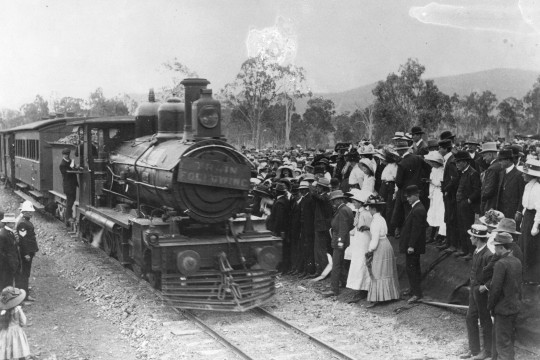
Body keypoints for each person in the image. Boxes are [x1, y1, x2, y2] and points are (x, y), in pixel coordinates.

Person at [486, 232, 522, 360]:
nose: (494, 249)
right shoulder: (517, 261)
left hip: (502, 309)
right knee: (504, 340)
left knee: (503, 344)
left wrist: (490, 306)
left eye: (496, 246)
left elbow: (495, 289)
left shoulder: (501, 264)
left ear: (501, 247)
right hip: (514, 307)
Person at [459, 224, 493, 360]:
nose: (470, 238)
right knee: (470, 318)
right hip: (474, 291)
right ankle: (474, 350)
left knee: (485, 321)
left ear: (477, 238)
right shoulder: (477, 251)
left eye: (472, 236)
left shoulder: (488, 255)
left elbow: (495, 276)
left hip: (482, 293)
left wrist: (485, 287)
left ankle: (487, 352)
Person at [365, 195, 400, 307]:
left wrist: (370, 249)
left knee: (377, 270)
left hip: (380, 246)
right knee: (387, 270)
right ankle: (390, 294)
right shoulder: (382, 219)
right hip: (387, 244)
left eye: (370, 208)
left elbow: (374, 240)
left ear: (374, 209)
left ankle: (377, 297)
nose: (369, 210)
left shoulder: (375, 221)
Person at [321, 190, 354, 298]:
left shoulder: (343, 210)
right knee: (340, 263)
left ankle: (334, 289)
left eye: (334, 201)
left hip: (339, 241)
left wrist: (340, 242)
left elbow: (343, 228)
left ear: (339, 200)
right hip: (341, 239)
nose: (333, 203)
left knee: (336, 265)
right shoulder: (345, 209)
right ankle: (343, 282)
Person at [400, 185, 428, 303]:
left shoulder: (418, 209)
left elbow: (416, 230)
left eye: (409, 196)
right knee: (412, 267)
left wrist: (411, 245)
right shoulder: (416, 207)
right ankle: (413, 289)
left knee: (412, 268)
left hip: (414, 246)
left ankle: (417, 293)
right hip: (413, 245)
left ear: (416, 195)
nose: (408, 199)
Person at [345, 189, 373, 303]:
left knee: (363, 264)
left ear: (361, 202)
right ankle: (359, 287)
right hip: (358, 242)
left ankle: (365, 289)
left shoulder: (366, 214)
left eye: (355, 201)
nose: (353, 203)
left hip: (365, 242)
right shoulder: (358, 213)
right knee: (357, 263)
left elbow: (372, 229)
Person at [516, 158, 540, 284]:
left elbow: (539, 208)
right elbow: (526, 205)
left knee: (531, 247)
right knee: (523, 245)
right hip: (527, 218)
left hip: (534, 219)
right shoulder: (527, 186)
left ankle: (533, 277)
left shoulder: (537, 188)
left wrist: (535, 225)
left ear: (531, 174)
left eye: (525, 173)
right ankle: (524, 274)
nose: (523, 175)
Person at [454, 150, 482, 260]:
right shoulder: (462, 173)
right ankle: (464, 250)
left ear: (465, 162)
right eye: (456, 162)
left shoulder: (473, 173)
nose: (457, 165)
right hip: (460, 204)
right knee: (461, 227)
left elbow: (477, 190)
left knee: (467, 228)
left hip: (467, 206)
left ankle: (470, 251)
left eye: (458, 162)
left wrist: (469, 201)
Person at [14, 202, 37, 302]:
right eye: (30, 212)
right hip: (26, 252)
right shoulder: (23, 223)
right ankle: (24, 296)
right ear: (25, 212)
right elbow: (23, 241)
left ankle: (24, 292)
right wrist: (26, 253)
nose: (31, 214)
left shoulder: (25, 220)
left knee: (25, 273)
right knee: (24, 273)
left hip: (29, 251)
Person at [0, 286, 30, 360]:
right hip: (16, 333)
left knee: (7, 350)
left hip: (4, 334)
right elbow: (23, 322)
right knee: (17, 349)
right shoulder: (17, 310)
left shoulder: (2, 312)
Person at [495, 149, 525, 222]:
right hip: (500, 211)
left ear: (508, 160)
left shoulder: (519, 175)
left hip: (512, 212)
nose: (499, 163)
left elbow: (522, 195)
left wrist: (519, 211)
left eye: (501, 160)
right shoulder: (501, 173)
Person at [424, 150, 445, 243]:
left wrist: (431, 181)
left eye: (433, 162)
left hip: (440, 194)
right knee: (433, 213)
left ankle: (441, 235)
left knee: (440, 214)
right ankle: (432, 235)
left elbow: (440, 183)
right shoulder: (433, 169)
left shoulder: (442, 170)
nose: (431, 164)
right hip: (433, 194)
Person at [59, 148, 79, 227]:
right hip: (68, 185)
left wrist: (76, 167)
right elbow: (67, 173)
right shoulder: (62, 164)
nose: (67, 155)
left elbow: (73, 168)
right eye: (66, 154)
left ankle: (69, 217)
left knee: (72, 200)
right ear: (63, 155)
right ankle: (68, 217)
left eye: (68, 154)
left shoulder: (70, 161)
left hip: (72, 184)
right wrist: (73, 168)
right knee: (70, 202)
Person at [480, 142, 501, 214]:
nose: (483, 158)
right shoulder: (499, 165)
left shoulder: (492, 168)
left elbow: (488, 191)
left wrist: (482, 196)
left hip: (490, 204)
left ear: (490, 154)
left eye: (484, 156)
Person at [0, 214, 20, 291]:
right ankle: (4, 300)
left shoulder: (9, 232)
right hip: (6, 265)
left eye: (14, 222)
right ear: (7, 223)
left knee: (9, 283)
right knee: (5, 283)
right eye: (12, 223)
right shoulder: (3, 234)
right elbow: (1, 252)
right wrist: (9, 261)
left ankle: (8, 300)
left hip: (10, 264)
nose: (14, 224)